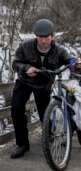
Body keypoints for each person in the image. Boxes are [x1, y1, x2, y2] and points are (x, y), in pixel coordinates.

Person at [10, 19, 71, 159]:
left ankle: (49, 136)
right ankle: (22, 144)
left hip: (44, 85)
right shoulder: (25, 46)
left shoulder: (59, 51)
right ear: (36, 36)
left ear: (52, 36)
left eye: (47, 37)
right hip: (24, 81)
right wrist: (25, 68)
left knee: (45, 113)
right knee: (16, 109)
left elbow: (69, 60)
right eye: (40, 37)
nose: (43, 41)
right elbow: (15, 63)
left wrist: (76, 63)